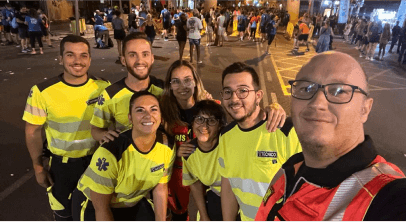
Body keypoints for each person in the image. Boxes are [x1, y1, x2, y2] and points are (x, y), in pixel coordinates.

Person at [255, 51, 406, 221]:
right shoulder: (289, 169)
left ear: (365, 108)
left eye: (339, 90)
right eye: (306, 88)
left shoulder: (387, 197)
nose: (318, 102)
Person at [23, 35, 110, 221]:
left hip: (98, 164)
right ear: (60, 59)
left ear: (90, 59)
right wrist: (38, 167)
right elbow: (33, 131)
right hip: (62, 168)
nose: (78, 61)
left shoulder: (104, 87)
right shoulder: (42, 91)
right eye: (70, 55)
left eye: (83, 55)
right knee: (65, 215)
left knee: (96, 213)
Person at [72, 91, 175, 221]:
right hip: (95, 204)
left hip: (132, 201)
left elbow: (160, 188)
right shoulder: (111, 152)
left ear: (161, 117)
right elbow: (101, 208)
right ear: (130, 118)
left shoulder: (167, 145)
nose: (148, 116)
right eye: (140, 110)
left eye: (153, 109)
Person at [218, 62, 302, 221]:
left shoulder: (286, 131)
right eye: (228, 92)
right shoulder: (226, 136)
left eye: (243, 91)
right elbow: (228, 186)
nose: (234, 99)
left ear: (258, 96)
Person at [90, 32, 163, 145]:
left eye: (145, 54)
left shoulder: (164, 90)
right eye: (133, 55)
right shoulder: (110, 95)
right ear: (123, 60)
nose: (140, 61)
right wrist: (104, 135)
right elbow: (95, 129)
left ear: (152, 58)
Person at [180, 100, 228, 221]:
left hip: (242, 197)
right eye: (199, 119)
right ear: (192, 123)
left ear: (220, 125)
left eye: (211, 121)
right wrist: (204, 216)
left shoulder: (229, 142)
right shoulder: (188, 152)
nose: (204, 126)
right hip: (217, 197)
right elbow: (195, 184)